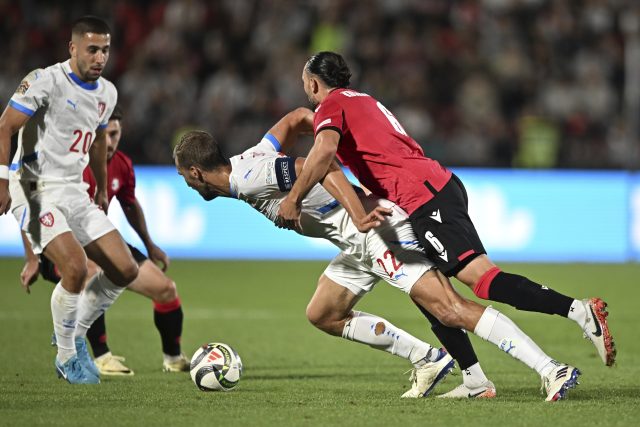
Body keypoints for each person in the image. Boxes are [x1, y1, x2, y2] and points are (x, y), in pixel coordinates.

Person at [173, 108, 582, 401]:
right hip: (354, 243)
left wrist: (328, 206)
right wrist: (319, 130)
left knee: (451, 309)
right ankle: (427, 359)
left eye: (184, 178)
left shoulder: (249, 177)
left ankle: (551, 370)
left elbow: (324, 164)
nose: (188, 187)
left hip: (377, 231)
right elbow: (298, 117)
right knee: (323, 313)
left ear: (195, 172)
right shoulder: (251, 158)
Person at [276, 51, 616, 370]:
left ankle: (578, 311)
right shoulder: (362, 101)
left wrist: (293, 199)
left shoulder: (330, 106)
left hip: (425, 197)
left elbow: (323, 154)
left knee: (481, 281)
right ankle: (473, 378)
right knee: (424, 288)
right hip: (427, 191)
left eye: (305, 82)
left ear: (314, 83)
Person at [0, 16, 139, 384]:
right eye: (92, 49)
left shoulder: (107, 93)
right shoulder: (45, 81)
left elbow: (95, 140)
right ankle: (66, 358)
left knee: (126, 270)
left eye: (105, 50)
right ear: (73, 48)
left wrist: (102, 188)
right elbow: (5, 126)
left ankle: (74, 333)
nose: (100, 57)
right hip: (33, 187)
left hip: (74, 190)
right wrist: (1, 182)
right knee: (75, 268)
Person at [19, 106, 189, 375]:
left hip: (98, 242)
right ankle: (99, 355)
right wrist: (31, 259)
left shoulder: (121, 164)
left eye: (115, 134)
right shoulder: (66, 165)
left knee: (165, 289)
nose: (110, 142)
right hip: (62, 247)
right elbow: (31, 206)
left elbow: (130, 205)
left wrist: (150, 244)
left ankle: (173, 358)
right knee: (91, 272)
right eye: (105, 135)